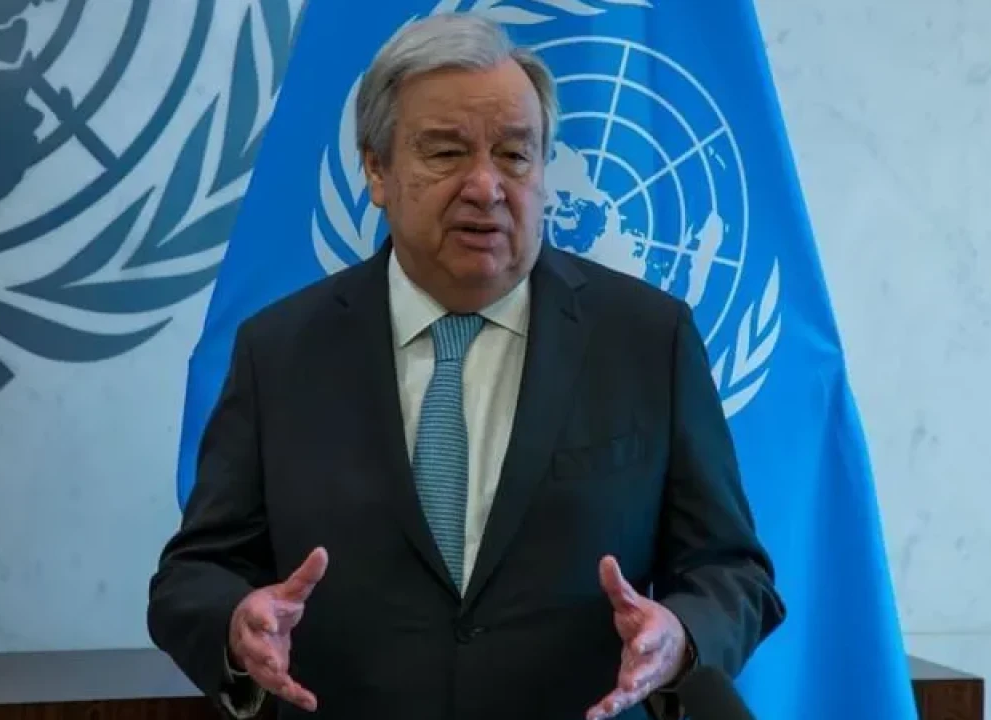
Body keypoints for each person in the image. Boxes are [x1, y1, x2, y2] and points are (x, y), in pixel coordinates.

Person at [147, 12, 784, 720]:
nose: (486, 186)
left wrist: (682, 636)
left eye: (515, 155)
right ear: (377, 169)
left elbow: (731, 569)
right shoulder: (280, 350)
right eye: (447, 153)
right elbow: (195, 573)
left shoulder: (647, 339)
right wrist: (236, 626)